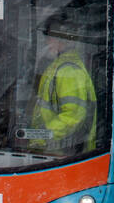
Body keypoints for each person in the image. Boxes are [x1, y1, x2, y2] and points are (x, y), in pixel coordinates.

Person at [29, 13, 98, 157]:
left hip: (62, 154)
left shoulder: (69, 71)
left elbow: (73, 115)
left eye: (49, 37)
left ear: (61, 39)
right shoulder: (59, 65)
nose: (47, 42)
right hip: (55, 153)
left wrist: (43, 136)